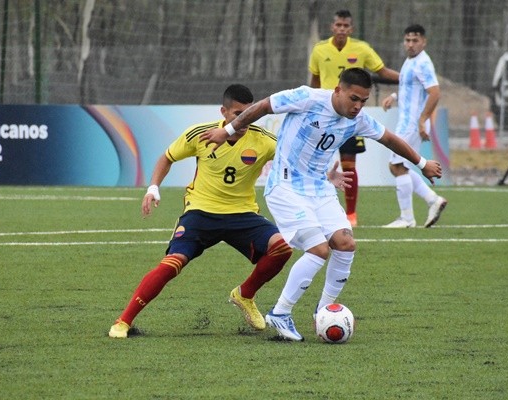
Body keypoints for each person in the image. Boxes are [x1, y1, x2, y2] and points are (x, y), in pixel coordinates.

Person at [200, 68, 442, 341]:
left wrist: (422, 163)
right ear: (338, 90)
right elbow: (264, 106)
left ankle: (323, 311)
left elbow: (389, 138)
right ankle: (280, 313)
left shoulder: (358, 119)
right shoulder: (307, 98)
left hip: (320, 189)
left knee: (345, 244)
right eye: (354, 99)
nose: (358, 106)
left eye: (363, 101)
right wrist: (228, 130)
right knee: (318, 249)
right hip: (286, 187)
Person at [108, 84, 352, 339]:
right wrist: (153, 188)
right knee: (173, 263)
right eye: (238, 113)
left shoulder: (263, 139)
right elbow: (167, 158)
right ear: (223, 112)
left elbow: (296, 161)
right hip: (200, 213)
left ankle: (245, 294)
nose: (245, 119)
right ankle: (124, 321)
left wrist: (326, 176)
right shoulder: (200, 134)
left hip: (242, 214)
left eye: (249, 113)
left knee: (281, 248)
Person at [308, 9, 400, 227]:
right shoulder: (319, 49)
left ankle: (351, 214)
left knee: (349, 164)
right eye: (338, 25)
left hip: (349, 116)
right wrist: (311, 107)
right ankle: (312, 207)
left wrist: (410, 78)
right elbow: (315, 82)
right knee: (314, 164)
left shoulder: (361, 49)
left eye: (345, 26)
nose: (341, 29)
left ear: (351, 29)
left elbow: (383, 71)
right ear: (332, 27)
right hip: (325, 114)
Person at [381, 24, 447, 228]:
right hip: (407, 122)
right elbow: (411, 86)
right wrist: (394, 96)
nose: (410, 44)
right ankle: (433, 200)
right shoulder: (411, 61)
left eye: (415, 40)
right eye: (407, 40)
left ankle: (407, 218)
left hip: (411, 124)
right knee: (400, 166)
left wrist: (422, 119)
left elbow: (434, 92)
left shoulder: (423, 62)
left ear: (423, 42)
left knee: (397, 166)